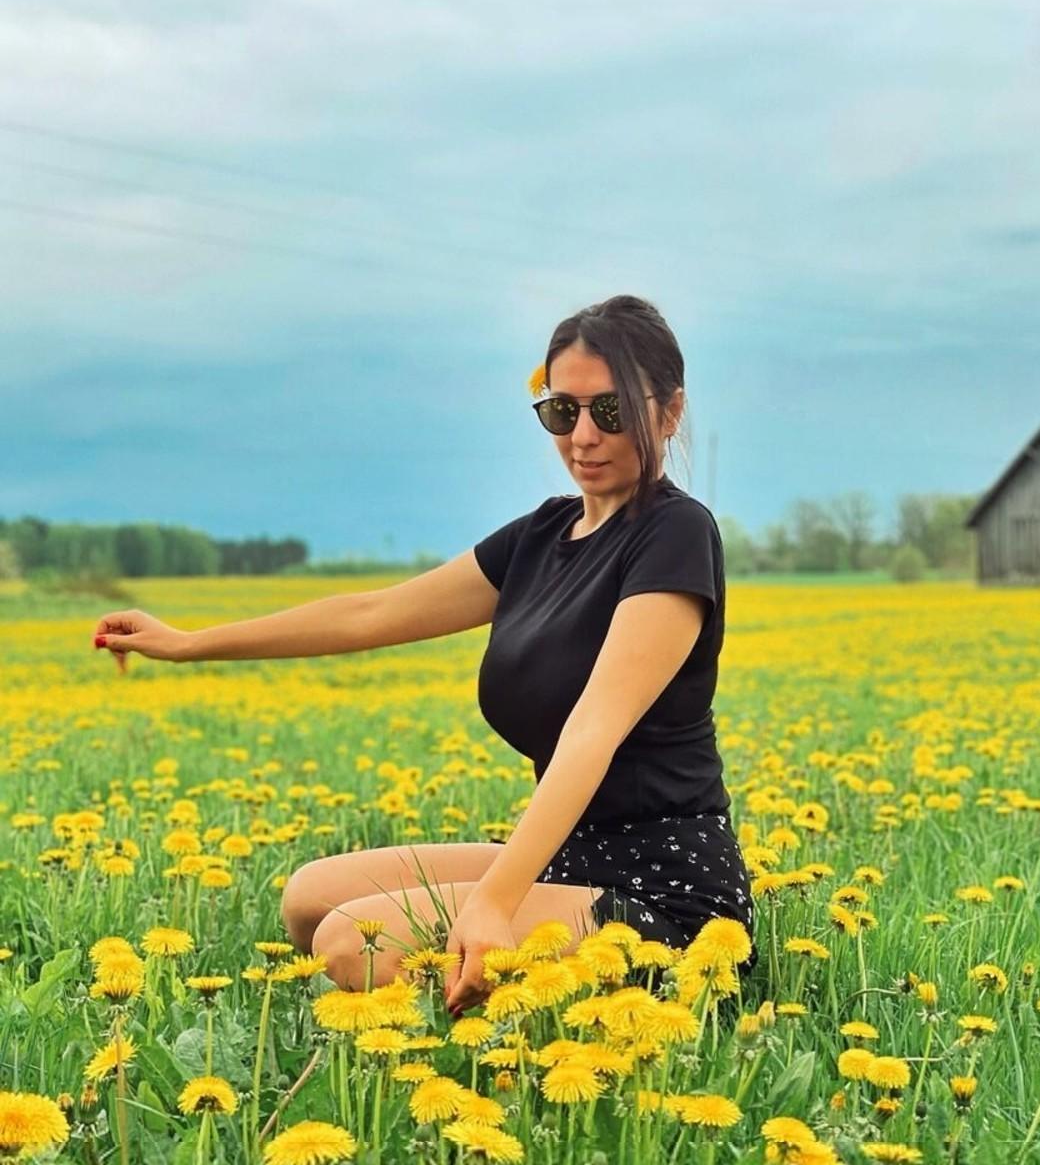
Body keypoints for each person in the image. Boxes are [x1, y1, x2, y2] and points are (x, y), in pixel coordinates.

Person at [92, 293, 757, 1016]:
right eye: (562, 412)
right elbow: (369, 613)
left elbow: (594, 730)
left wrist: (494, 902)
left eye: (612, 410)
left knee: (351, 944)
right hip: (568, 857)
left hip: (664, 888)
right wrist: (187, 643)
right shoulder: (541, 537)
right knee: (310, 898)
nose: (584, 437)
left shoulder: (674, 533)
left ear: (670, 411)